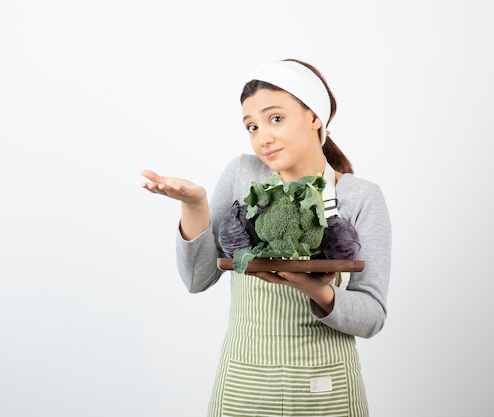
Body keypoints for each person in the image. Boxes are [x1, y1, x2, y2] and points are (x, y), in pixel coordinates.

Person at [141, 59, 392, 417]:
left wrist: (315, 289)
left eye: (276, 119)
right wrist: (194, 206)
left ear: (313, 116)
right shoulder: (243, 174)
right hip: (245, 386)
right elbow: (197, 279)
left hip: (324, 391)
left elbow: (372, 316)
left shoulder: (361, 196)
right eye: (252, 126)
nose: (263, 138)